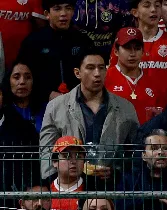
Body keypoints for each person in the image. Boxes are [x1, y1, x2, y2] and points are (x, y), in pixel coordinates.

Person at [39, 50, 141, 181]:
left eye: (101, 68)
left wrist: (116, 172)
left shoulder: (126, 108)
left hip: (113, 186)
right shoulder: (56, 107)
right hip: (70, 186)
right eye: (90, 68)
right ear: (77, 73)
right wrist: (54, 186)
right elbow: (47, 151)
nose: (97, 74)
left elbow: (135, 152)